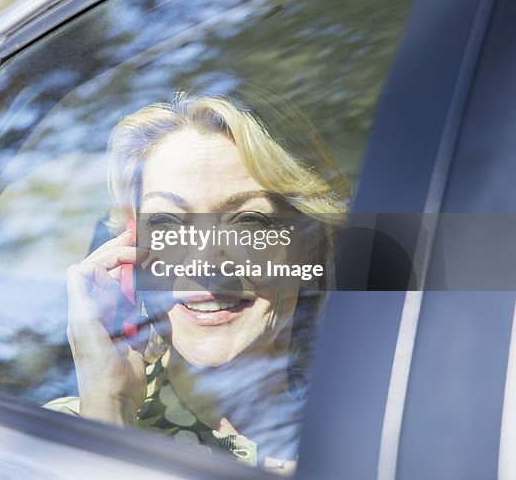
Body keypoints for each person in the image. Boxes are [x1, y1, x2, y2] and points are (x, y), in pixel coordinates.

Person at [47, 92, 349, 473]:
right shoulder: (57, 434)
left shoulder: (387, 422)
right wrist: (110, 407)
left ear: (313, 247)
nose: (204, 263)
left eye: (248, 222)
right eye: (166, 225)